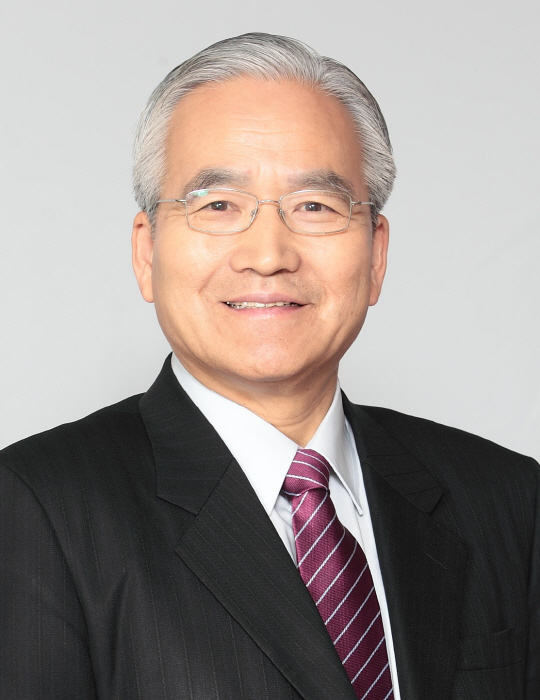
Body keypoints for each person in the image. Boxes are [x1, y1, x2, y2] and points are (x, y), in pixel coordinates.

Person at [0, 32, 538, 700]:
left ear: (376, 255)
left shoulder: (507, 499)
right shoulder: (36, 508)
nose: (268, 255)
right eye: (218, 205)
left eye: (315, 206)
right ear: (147, 252)